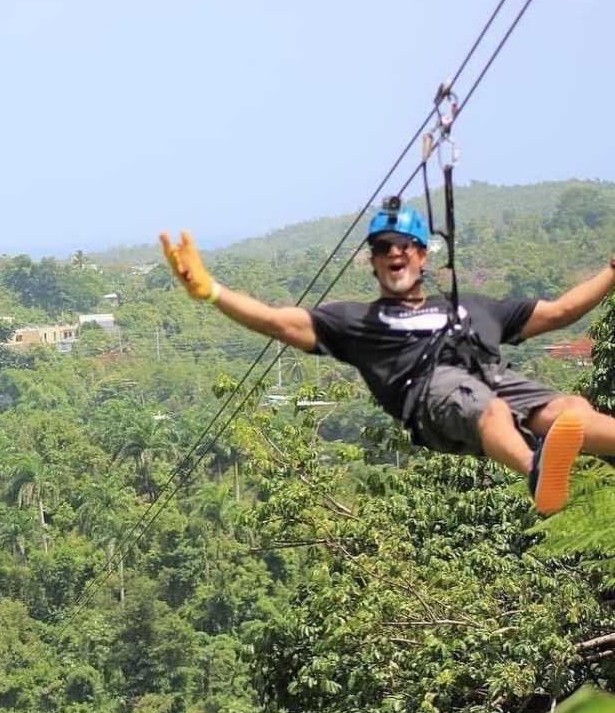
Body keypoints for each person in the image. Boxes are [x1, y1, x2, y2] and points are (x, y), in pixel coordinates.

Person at [161, 203, 615, 516]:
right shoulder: (360, 322)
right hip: (431, 393)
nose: (394, 251)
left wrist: (612, 271)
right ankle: (535, 472)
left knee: (571, 410)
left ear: (422, 255)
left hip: (489, 375)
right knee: (489, 408)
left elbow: (561, 312)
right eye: (383, 247)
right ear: (374, 262)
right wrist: (212, 291)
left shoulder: (474, 307)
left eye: (404, 244)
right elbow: (276, 321)